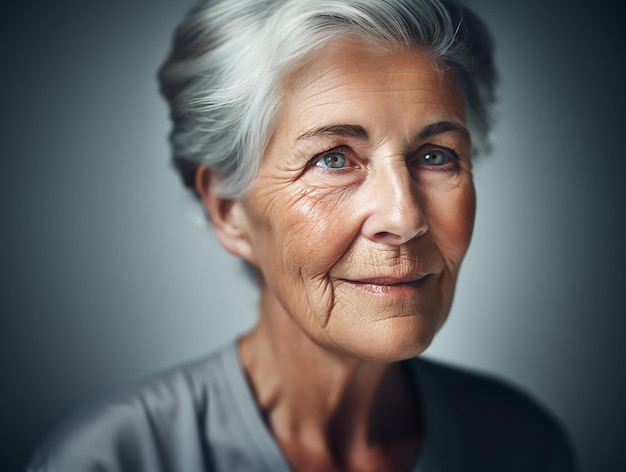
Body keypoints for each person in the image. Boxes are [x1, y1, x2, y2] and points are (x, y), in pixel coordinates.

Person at [27, 0, 576, 470]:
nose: (404, 215)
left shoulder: (523, 445)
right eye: (334, 159)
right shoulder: (111, 458)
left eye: (435, 156)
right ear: (228, 211)